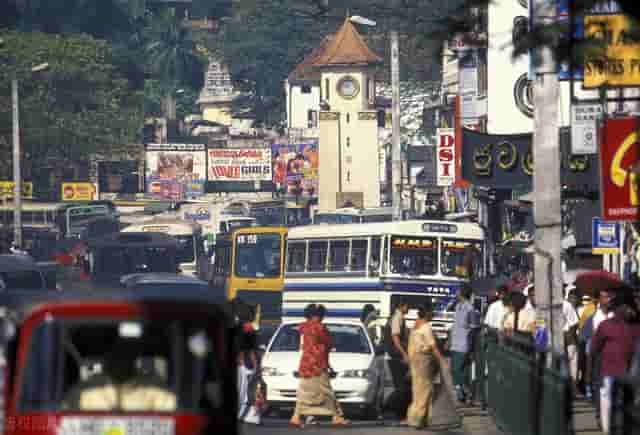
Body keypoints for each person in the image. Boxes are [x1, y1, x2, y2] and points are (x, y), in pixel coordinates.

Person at [289, 304, 350, 428]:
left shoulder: (303, 328)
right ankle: (336, 416)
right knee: (327, 391)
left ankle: (296, 416)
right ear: (316, 315)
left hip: (306, 364)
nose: (322, 318)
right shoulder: (320, 328)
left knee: (304, 392)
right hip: (318, 364)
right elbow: (327, 345)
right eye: (320, 315)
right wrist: (328, 365)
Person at [591, 296, 637, 435]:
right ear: (618, 308)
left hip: (630, 374)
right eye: (627, 307)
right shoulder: (605, 325)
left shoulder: (635, 327)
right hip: (609, 373)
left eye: (631, 307)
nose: (630, 310)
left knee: (628, 406)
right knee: (608, 404)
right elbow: (594, 348)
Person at [406, 303, 447, 429]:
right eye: (432, 312)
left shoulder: (415, 325)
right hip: (424, 359)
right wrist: (442, 360)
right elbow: (432, 346)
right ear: (427, 313)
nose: (434, 314)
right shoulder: (426, 327)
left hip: (415, 359)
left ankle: (416, 417)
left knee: (417, 389)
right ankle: (418, 419)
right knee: (426, 389)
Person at [383, 298, 411, 423]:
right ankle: (389, 408)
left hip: (396, 356)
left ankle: (397, 412)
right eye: (407, 306)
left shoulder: (399, 318)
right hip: (396, 357)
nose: (409, 308)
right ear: (402, 306)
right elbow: (396, 339)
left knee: (403, 386)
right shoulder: (397, 318)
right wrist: (404, 354)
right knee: (401, 387)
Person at [449, 284, 478, 403]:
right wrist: (449, 339)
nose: (456, 293)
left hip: (463, 343)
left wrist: (470, 341)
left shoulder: (470, 308)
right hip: (455, 342)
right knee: (456, 369)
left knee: (458, 368)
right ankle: (463, 390)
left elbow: (474, 326)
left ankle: (463, 390)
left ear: (462, 293)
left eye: (458, 291)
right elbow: (455, 324)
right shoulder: (457, 306)